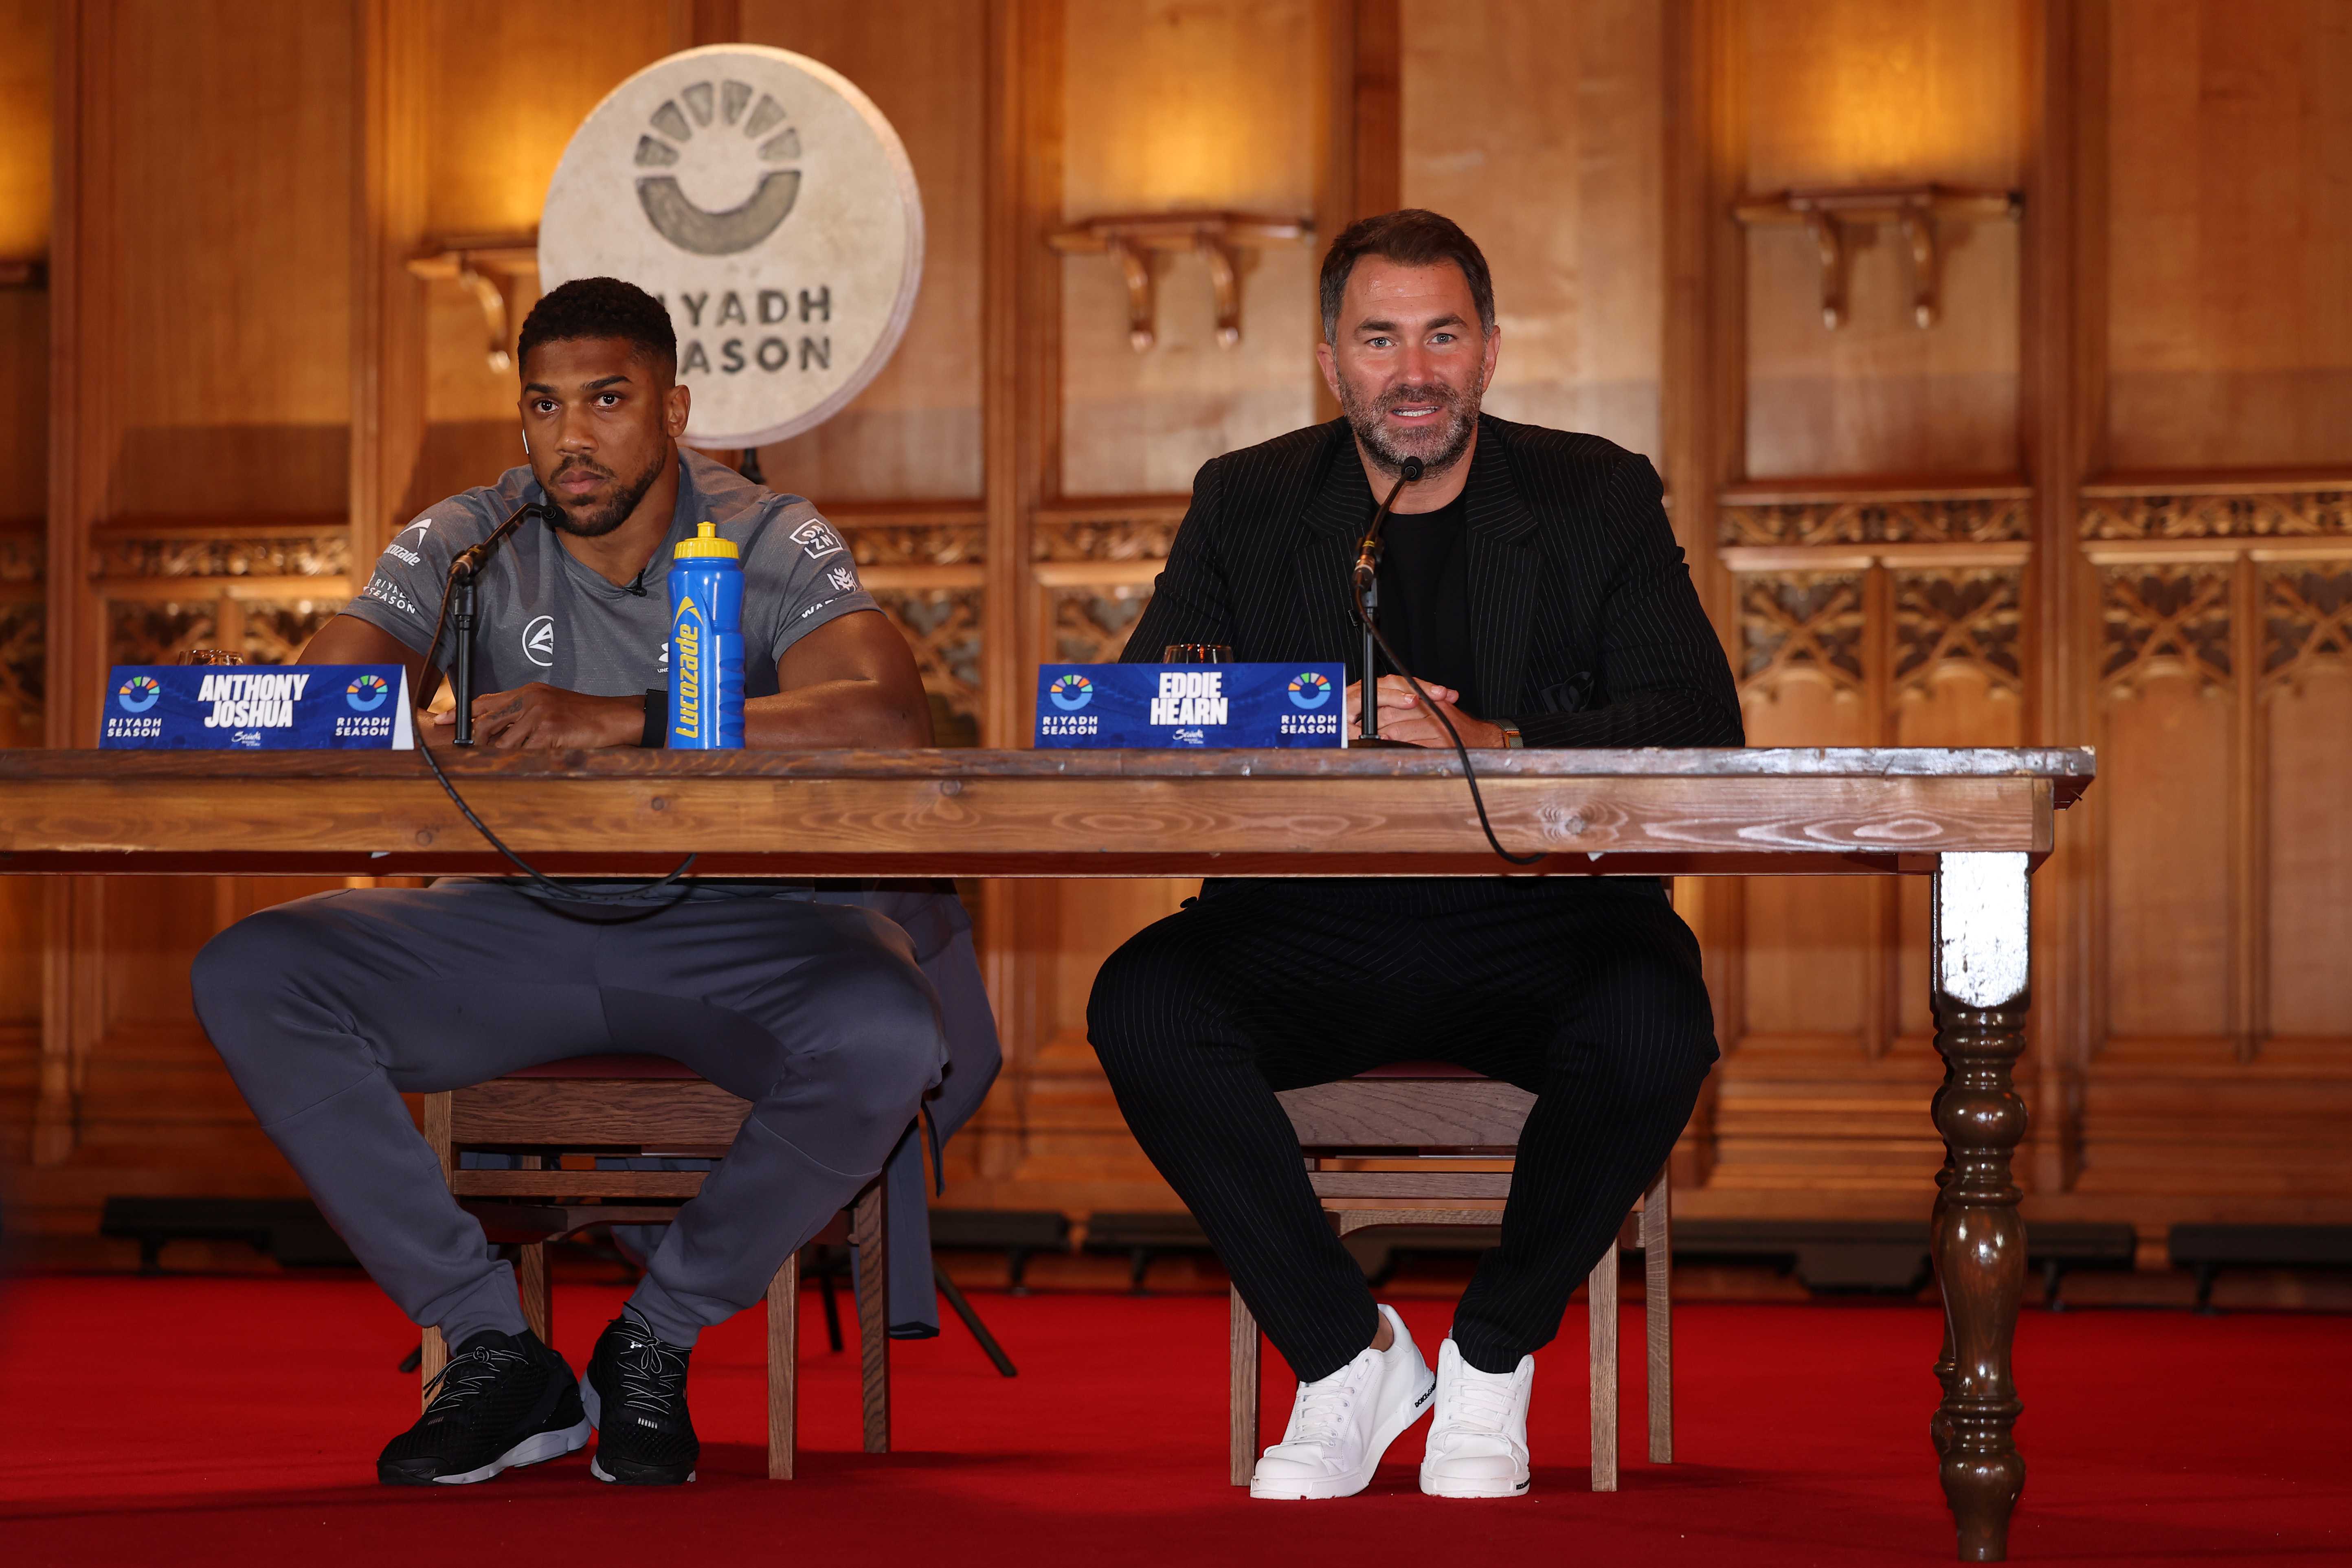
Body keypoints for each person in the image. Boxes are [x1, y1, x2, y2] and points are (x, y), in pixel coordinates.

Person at [190, 277, 998, 1488]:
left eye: (607, 400)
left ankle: (654, 1338)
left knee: (887, 1028)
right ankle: (493, 1343)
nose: (572, 437)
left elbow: (887, 713)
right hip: (514, 922)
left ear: (673, 408)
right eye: (544, 406)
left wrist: (628, 719)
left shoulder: (769, 530)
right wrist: (251, 703)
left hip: (734, 928)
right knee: (252, 972)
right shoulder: (469, 534)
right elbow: (337, 706)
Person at [1086, 210, 1744, 1501]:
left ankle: (1493, 1353)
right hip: (1306, 925)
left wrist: (1498, 736)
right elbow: (1150, 706)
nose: (1415, 370)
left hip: (1546, 924)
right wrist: (1312, 716)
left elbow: (1696, 720)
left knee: (1661, 1021)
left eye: (1443, 334)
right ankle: (1347, 1353)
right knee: (1142, 1002)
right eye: (1380, 338)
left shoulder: (1593, 492)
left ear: (1491, 351)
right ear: (1333, 361)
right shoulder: (1251, 498)